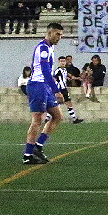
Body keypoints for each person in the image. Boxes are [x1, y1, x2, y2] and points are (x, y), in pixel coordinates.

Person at [23, 22, 65, 164]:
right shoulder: (43, 48)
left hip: (44, 86)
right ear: (49, 33)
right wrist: (56, 91)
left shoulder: (49, 48)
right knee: (37, 120)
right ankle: (28, 155)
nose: (59, 37)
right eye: (57, 34)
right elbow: (45, 71)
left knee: (57, 116)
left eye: (61, 35)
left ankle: (38, 146)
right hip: (38, 86)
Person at [52, 56, 84, 124]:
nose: (62, 63)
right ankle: (74, 118)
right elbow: (53, 79)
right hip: (60, 89)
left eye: (64, 61)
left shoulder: (65, 70)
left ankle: (74, 118)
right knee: (64, 103)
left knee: (60, 103)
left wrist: (77, 78)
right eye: (61, 61)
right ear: (59, 62)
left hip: (64, 89)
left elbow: (69, 76)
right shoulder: (58, 70)